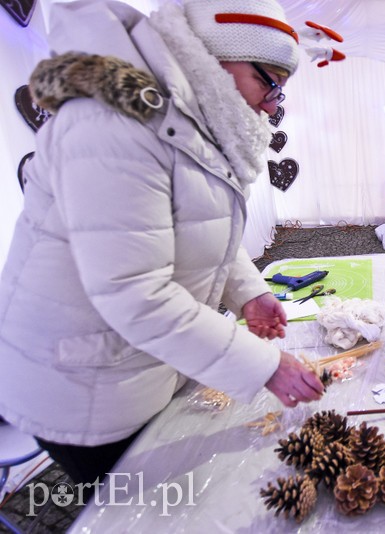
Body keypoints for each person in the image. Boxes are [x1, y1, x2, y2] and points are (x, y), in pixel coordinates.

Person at [0, 0, 324, 490]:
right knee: (143, 510)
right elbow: (133, 292)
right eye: (269, 81)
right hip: (82, 383)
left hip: (130, 365)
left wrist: (248, 292)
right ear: (215, 55)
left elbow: (194, 226)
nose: (272, 103)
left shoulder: (183, 120)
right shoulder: (113, 125)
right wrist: (265, 365)